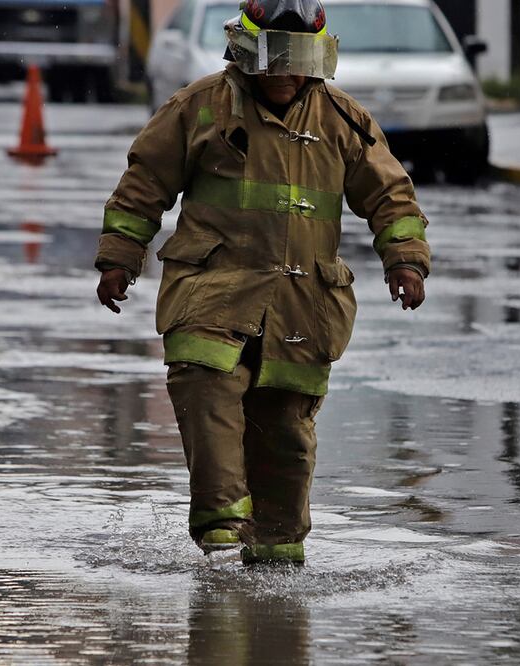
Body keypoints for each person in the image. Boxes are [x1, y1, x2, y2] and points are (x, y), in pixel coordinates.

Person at [94, 0, 430, 565]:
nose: (285, 74)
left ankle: (277, 553)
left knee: (285, 432)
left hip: (303, 307)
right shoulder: (199, 108)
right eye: (274, 58)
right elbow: (144, 183)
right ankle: (222, 526)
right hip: (211, 291)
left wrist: (406, 260)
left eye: (298, 61)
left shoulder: (342, 119)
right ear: (246, 51)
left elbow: (391, 196)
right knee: (205, 388)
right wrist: (119, 257)